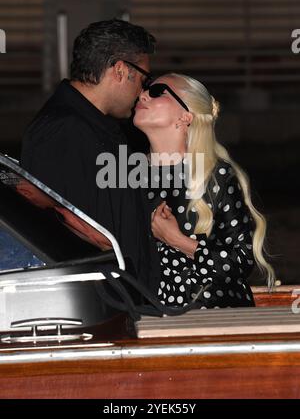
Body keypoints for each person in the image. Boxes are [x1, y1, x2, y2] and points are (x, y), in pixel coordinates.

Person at [21, 19, 160, 292]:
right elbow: (59, 233)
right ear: (120, 70)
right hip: (105, 305)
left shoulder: (98, 127)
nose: (143, 91)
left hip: (122, 299)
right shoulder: (61, 132)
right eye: (143, 79)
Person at [133, 73, 275, 308]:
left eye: (159, 92)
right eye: (147, 88)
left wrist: (176, 239)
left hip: (212, 315)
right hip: (150, 315)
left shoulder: (215, 177)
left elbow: (240, 262)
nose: (143, 94)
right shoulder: (129, 174)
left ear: (185, 116)